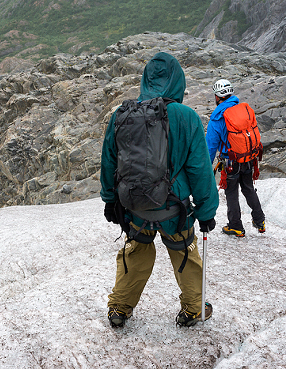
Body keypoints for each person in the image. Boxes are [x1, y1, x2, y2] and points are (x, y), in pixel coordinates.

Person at [100, 52, 219, 328]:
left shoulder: (122, 114)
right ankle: (194, 308)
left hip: (134, 206)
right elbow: (200, 169)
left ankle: (119, 307)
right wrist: (206, 210)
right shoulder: (186, 117)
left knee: (136, 253)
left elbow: (108, 161)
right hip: (173, 208)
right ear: (178, 81)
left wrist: (109, 200)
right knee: (184, 253)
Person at [206, 79, 266, 237]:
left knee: (231, 193)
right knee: (248, 188)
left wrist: (205, 167)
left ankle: (236, 226)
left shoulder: (217, 118)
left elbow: (210, 147)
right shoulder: (244, 110)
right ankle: (260, 221)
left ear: (217, 96)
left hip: (231, 162)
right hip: (248, 158)